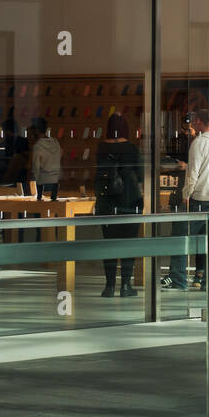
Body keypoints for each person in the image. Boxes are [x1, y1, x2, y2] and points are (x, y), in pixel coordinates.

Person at [165, 109, 209, 291]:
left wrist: (186, 194)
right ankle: (208, 284)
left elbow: (192, 172)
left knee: (180, 239)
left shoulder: (199, 143)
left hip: (200, 198)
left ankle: (178, 280)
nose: (191, 125)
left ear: (200, 121)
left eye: (193, 121)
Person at [94, 113, 142, 297]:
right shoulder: (132, 149)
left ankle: (109, 286)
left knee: (110, 245)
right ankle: (125, 286)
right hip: (129, 202)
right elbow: (139, 174)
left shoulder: (101, 148)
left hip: (107, 204)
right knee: (128, 245)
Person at [30, 117, 63, 200]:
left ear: (36, 130)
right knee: (54, 205)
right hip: (55, 181)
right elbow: (61, 153)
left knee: (39, 207)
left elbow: (36, 167)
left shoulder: (37, 146)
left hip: (42, 183)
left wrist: (34, 178)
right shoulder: (55, 142)